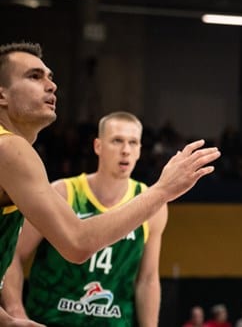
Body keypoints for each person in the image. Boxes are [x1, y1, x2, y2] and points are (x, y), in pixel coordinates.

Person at [0, 41, 219, 327]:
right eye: (34, 76)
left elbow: (148, 279)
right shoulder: (14, 152)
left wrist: (7, 321)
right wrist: (164, 190)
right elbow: (77, 243)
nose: (51, 85)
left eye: (50, 77)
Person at [0, 111, 167, 326]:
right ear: (98, 146)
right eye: (117, 141)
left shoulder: (151, 204)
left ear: (140, 150)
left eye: (133, 142)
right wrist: (15, 311)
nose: (126, 150)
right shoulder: (63, 193)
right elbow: (14, 254)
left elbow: (148, 279)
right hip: (51, 319)